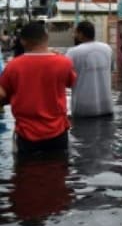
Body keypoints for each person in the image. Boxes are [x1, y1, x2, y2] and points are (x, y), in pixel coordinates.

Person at [0, 22, 75, 155]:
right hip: (57, 132)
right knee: (58, 172)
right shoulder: (64, 62)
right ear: (46, 38)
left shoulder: (13, 66)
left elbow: (2, 95)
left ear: (23, 41)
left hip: (26, 134)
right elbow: (72, 83)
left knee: (25, 173)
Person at [66, 21, 113, 118]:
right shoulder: (107, 49)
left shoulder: (73, 52)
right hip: (107, 107)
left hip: (83, 109)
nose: (73, 35)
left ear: (81, 34)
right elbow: (110, 70)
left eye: (75, 33)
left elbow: (65, 78)